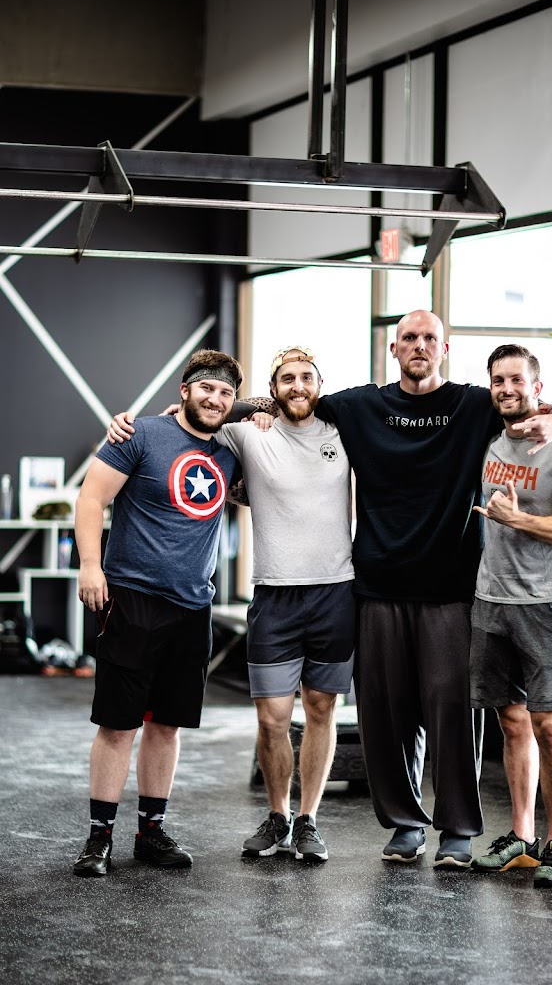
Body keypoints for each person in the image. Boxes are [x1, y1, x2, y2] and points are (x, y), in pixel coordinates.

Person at [307, 311, 552, 868]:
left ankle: (457, 829)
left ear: (444, 348)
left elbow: (537, 405)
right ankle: (405, 825)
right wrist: (237, 412)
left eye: (430, 338)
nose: (419, 346)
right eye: (409, 338)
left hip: (452, 590)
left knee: (454, 715)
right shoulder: (361, 406)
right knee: (386, 716)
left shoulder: (474, 404)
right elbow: (292, 401)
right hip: (378, 587)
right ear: (394, 348)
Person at [108, 347, 355, 864]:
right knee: (271, 719)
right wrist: (134, 422)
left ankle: (308, 819)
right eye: (286, 379)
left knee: (321, 709)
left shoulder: (344, 433)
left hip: (334, 591)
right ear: (273, 388)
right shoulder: (245, 434)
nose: (297, 386)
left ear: (320, 384)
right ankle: (278, 816)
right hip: (273, 595)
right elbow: (195, 420)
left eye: (306, 377)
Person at [72, 348, 243, 877]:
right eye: (206, 388)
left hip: (193, 606)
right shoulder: (139, 434)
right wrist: (90, 566)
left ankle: (151, 832)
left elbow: (278, 405)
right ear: (184, 390)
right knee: (118, 725)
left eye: (226, 393)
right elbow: (90, 499)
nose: (215, 399)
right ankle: (99, 838)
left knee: (167, 725)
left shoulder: (231, 450)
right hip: (132, 599)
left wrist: (247, 410)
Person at [469, 344, 552, 888]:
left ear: (537, 387)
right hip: (492, 600)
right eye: (498, 380)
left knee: (550, 726)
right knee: (512, 722)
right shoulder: (488, 436)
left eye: (517, 380)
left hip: (548, 604)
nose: (507, 389)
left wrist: (519, 521)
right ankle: (521, 839)